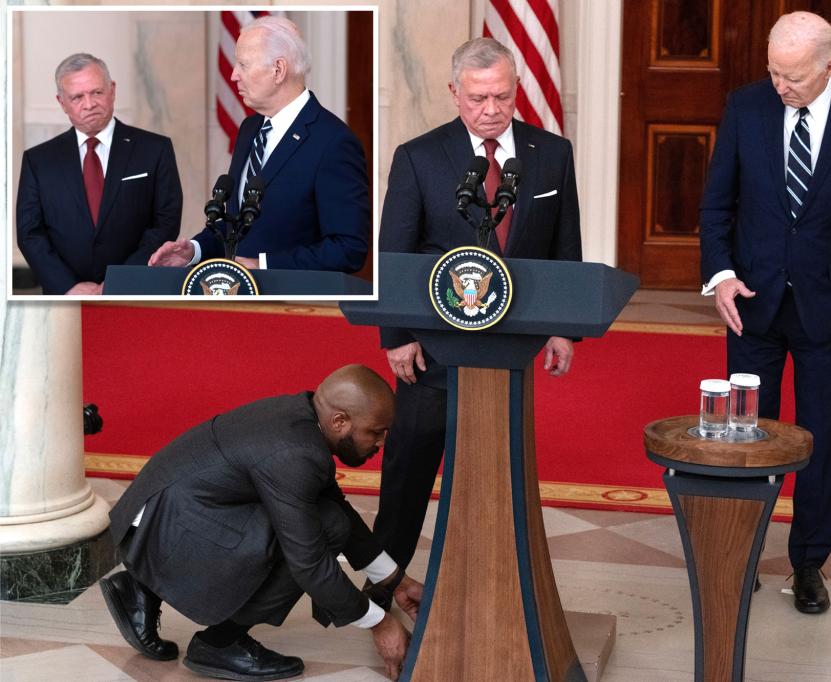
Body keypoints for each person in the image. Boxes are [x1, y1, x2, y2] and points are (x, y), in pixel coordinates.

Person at [699, 11, 831, 614]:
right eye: (772, 71)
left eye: (791, 76)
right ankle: (740, 553)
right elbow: (717, 206)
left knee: (819, 440)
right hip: (753, 307)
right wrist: (722, 275)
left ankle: (809, 563)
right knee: (746, 439)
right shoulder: (746, 108)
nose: (779, 86)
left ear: (828, 66)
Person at [372, 37, 582, 575]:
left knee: (496, 471)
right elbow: (394, 253)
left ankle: (492, 583)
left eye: (503, 97)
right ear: (453, 93)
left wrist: (563, 328)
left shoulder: (551, 154)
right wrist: (397, 336)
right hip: (432, 347)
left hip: (512, 347)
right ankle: (382, 590)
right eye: (477, 99)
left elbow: (565, 248)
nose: (491, 111)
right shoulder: (419, 157)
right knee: (410, 471)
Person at [100, 365, 422, 681]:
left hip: (162, 515)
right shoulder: (296, 454)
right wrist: (379, 623)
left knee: (331, 518)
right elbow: (308, 565)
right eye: (375, 432)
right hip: (164, 528)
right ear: (340, 421)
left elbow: (338, 507)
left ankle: (140, 588)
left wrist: (397, 582)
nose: (381, 443)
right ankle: (220, 644)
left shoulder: (304, 416)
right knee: (323, 532)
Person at [149, 16, 369, 273]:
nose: (233, 76)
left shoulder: (333, 141)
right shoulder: (250, 129)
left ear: (278, 70)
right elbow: (239, 224)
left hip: (293, 305)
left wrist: (263, 265)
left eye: (243, 64)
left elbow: (348, 249)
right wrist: (194, 251)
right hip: (236, 298)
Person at [16, 53, 182, 295]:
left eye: (96, 92)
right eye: (77, 97)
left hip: (137, 291)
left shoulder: (155, 149)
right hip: (65, 297)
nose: (89, 104)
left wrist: (121, 281)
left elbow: (166, 221)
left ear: (112, 90)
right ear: (62, 102)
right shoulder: (38, 160)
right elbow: (30, 233)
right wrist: (68, 287)